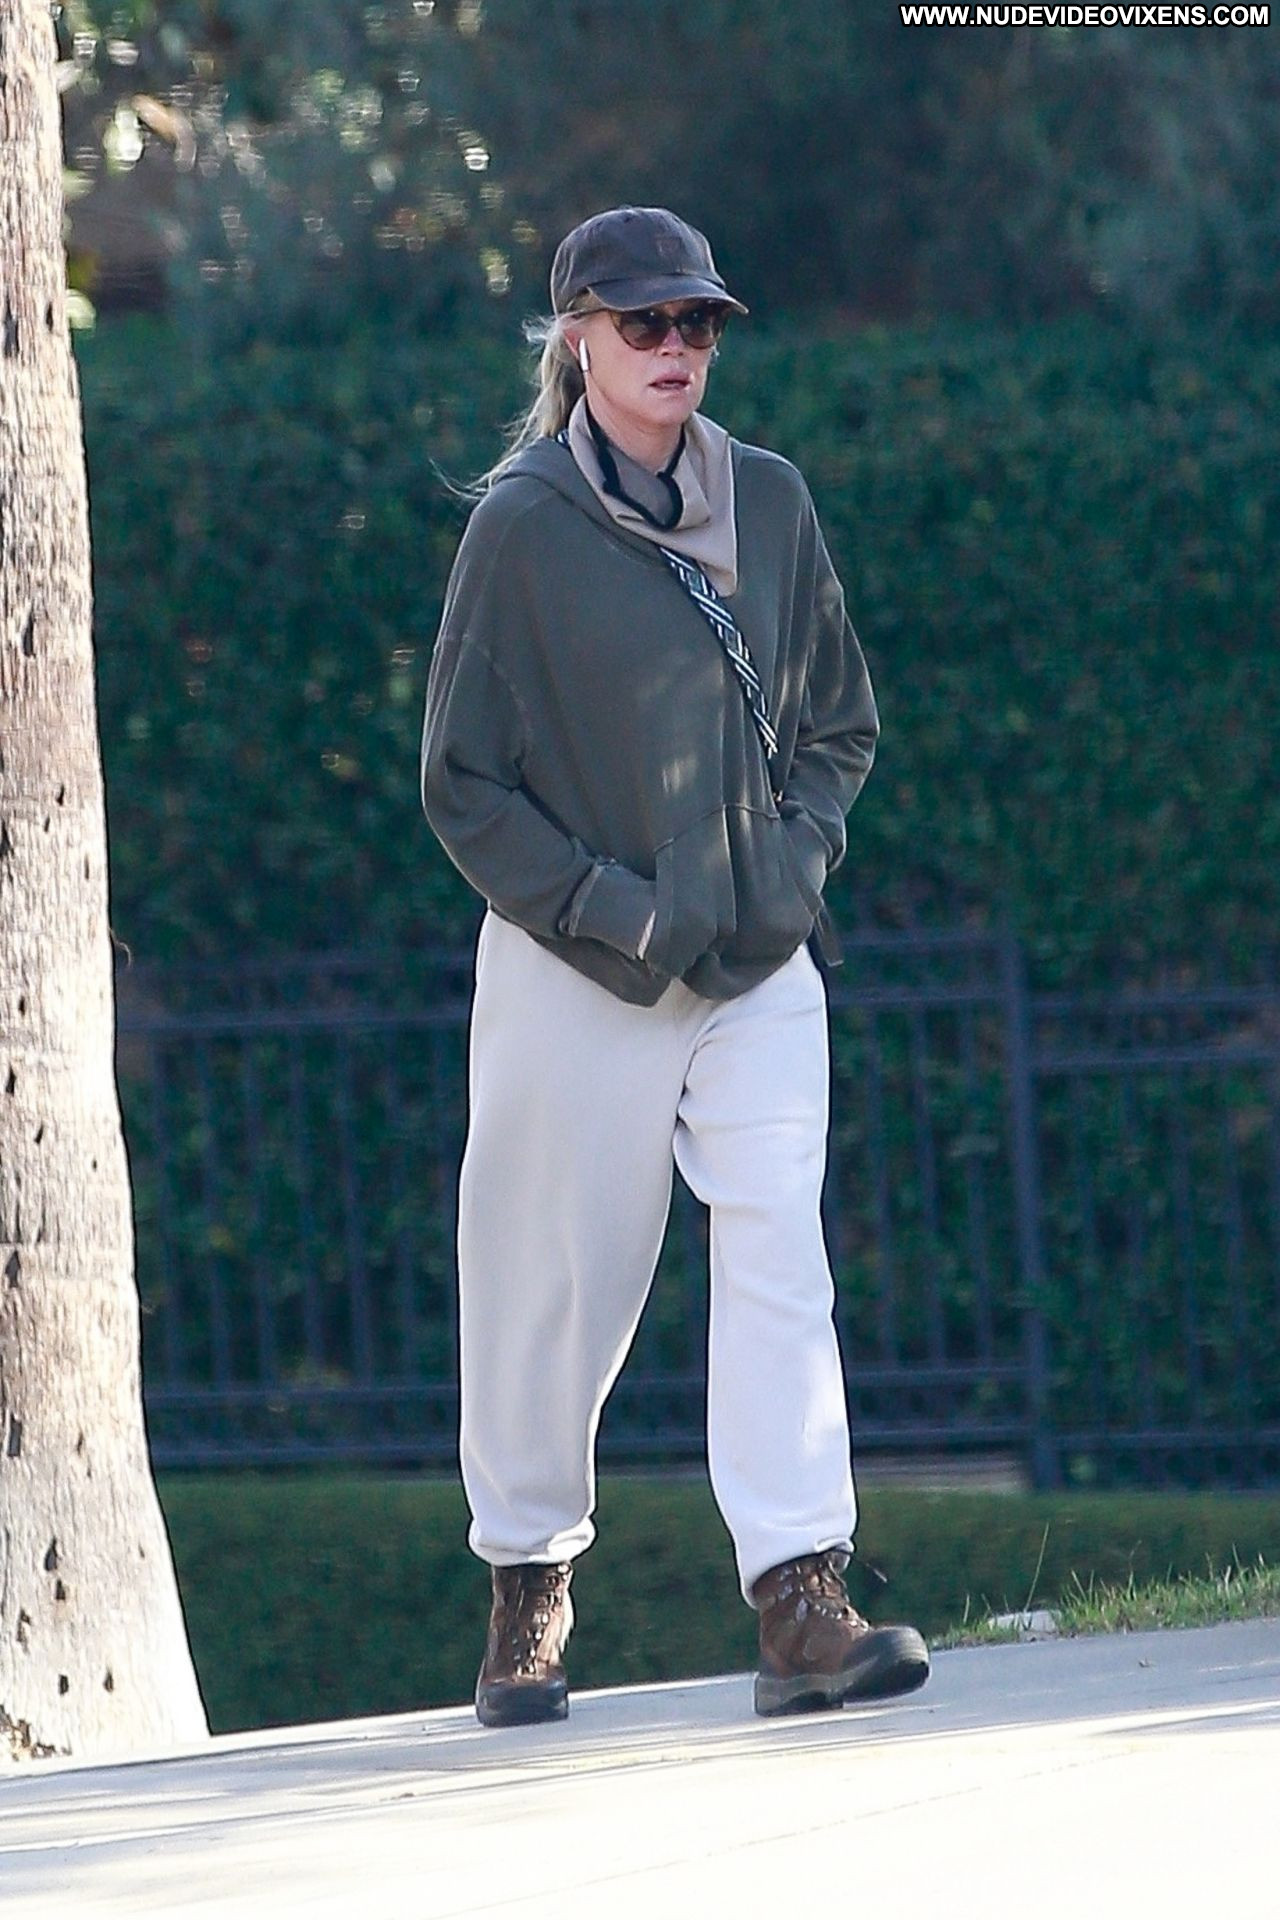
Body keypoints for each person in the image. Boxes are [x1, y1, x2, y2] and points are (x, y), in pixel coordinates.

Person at [421, 205, 930, 1726]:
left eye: (697, 322)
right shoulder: (519, 526)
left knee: (778, 1246)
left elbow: (839, 722)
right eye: (644, 323)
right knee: (550, 1289)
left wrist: (790, 867)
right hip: (578, 967)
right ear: (576, 338)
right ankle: (526, 1576)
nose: (676, 349)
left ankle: (799, 1592)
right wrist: (610, 908)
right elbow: (461, 783)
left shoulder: (770, 501)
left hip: (757, 957)